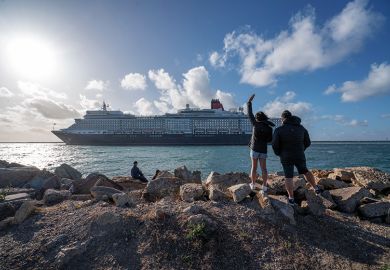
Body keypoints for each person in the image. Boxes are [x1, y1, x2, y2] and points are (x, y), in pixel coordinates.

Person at [272, 110, 323, 206]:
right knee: (305, 171)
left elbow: (275, 145)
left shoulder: (279, 130)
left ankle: (291, 198)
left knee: (288, 176)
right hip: (299, 154)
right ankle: (316, 189)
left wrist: (279, 153)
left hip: (286, 155)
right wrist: (301, 149)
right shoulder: (301, 128)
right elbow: (308, 142)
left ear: (282, 119)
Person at [247, 94, 275, 196]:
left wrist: (249, 102)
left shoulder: (255, 124)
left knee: (254, 167)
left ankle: (253, 184)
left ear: (257, 118)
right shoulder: (269, 128)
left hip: (254, 149)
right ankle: (264, 186)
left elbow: (249, 114)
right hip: (263, 150)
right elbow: (270, 140)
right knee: (264, 169)